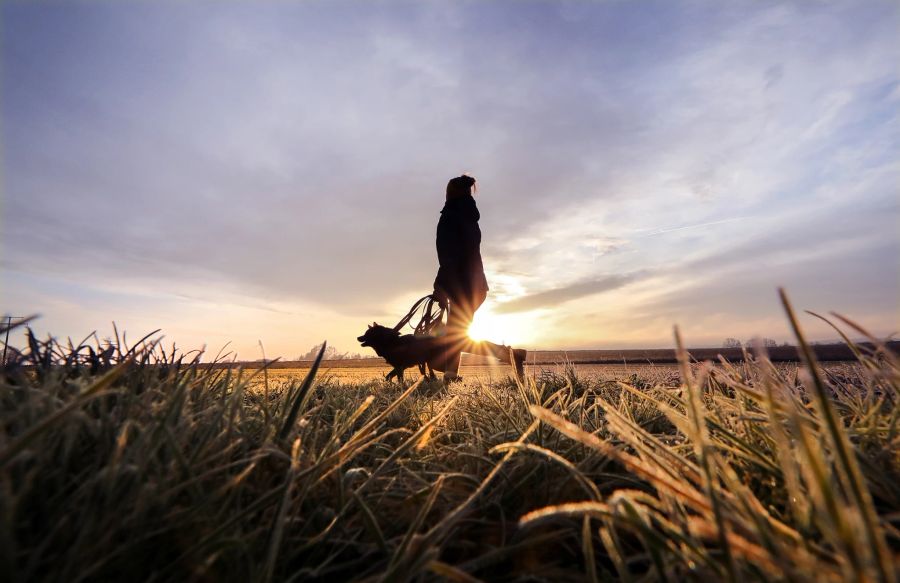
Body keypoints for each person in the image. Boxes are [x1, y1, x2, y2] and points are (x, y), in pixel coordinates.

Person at [432, 175, 526, 383]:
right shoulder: (468, 216)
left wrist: (440, 285)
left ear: (449, 193)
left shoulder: (451, 216)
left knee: (454, 336)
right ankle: (451, 375)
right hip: (474, 285)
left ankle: (511, 356)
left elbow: (450, 257)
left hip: (462, 286)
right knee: (455, 334)